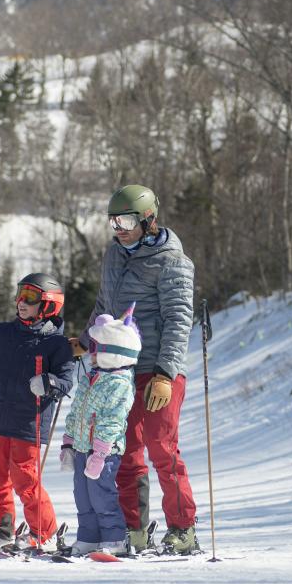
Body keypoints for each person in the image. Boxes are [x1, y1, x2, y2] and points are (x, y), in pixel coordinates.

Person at [77, 184, 200, 555]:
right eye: (113, 221)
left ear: (148, 220)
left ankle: (183, 528)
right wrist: (86, 341)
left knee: (162, 448)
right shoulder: (114, 256)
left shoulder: (173, 262)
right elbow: (105, 303)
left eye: (127, 220)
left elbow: (179, 319)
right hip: (120, 370)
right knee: (125, 450)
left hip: (159, 370)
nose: (119, 228)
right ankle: (134, 528)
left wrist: (165, 373)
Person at [0, 273, 74, 553]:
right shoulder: (3, 332)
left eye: (29, 297)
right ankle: (0, 529)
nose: (20, 302)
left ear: (48, 305)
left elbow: (66, 380)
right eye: (19, 294)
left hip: (29, 422)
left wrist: (49, 383)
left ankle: (44, 531)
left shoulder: (57, 345)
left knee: (25, 480)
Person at [59, 310, 140, 557]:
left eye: (95, 348)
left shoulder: (119, 383)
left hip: (103, 451)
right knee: (82, 496)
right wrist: (68, 442)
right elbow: (77, 411)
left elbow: (112, 421)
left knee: (101, 495)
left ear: (113, 353)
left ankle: (115, 538)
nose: (90, 354)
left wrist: (100, 453)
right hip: (83, 447)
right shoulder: (91, 377)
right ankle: (89, 537)